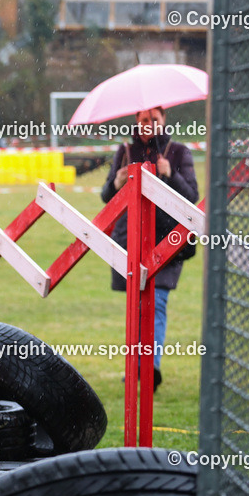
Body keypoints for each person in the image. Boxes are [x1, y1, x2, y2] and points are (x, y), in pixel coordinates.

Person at [101, 106, 198, 391]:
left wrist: (170, 174)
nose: (149, 123)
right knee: (136, 308)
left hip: (167, 241)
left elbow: (192, 196)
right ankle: (136, 365)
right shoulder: (124, 151)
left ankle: (149, 366)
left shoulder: (178, 152)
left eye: (154, 118)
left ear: (164, 119)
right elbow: (106, 196)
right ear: (136, 120)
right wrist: (117, 182)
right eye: (144, 119)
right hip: (130, 241)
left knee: (157, 303)